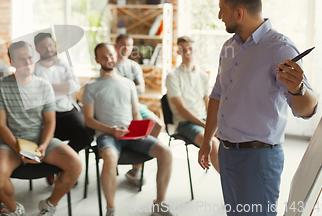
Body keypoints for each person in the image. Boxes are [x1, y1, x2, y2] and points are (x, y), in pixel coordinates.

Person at [198, 0, 318, 216]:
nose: (219, 16)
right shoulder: (229, 47)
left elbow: (307, 109)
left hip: (258, 159)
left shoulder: (280, 49)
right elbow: (217, 95)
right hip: (227, 152)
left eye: (222, 10)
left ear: (239, 13)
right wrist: (206, 140)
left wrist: (299, 89)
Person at [0, 41, 82, 216]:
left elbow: (49, 122)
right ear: (12, 62)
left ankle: (49, 205)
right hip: (10, 142)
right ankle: (14, 209)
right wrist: (19, 149)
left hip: (40, 139)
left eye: (30, 57)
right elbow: (0, 125)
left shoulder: (44, 85)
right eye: (21, 59)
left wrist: (44, 146)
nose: (27, 62)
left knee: (75, 164)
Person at [83, 43, 173, 216]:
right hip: (107, 135)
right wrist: (111, 130)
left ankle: (159, 204)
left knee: (166, 153)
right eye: (103, 56)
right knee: (109, 158)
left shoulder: (128, 83)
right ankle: (111, 209)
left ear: (115, 55)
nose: (108, 59)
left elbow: (135, 113)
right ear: (97, 60)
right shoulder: (91, 86)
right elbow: (89, 120)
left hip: (131, 134)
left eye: (110, 55)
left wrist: (139, 131)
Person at [114, 34, 164, 184]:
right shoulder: (110, 64)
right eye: (123, 44)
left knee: (157, 124)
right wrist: (131, 87)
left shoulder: (134, 66)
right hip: (118, 107)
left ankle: (137, 167)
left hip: (136, 105)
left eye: (129, 45)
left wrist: (127, 89)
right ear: (116, 45)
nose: (126, 48)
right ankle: (129, 156)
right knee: (133, 129)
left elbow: (141, 89)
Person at [166, 36, 220, 173]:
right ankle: (232, 188)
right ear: (178, 52)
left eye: (190, 49)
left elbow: (208, 103)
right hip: (185, 124)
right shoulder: (172, 76)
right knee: (213, 143)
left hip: (204, 121)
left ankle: (240, 180)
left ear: (195, 50)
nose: (187, 52)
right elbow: (182, 109)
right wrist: (207, 126)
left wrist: (214, 123)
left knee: (235, 137)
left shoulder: (202, 75)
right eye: (183, 50)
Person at [33, 32, 91, 154]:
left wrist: (48, 86)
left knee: (86, 136)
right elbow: (38, 91)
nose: (48, 49)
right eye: (43, 47)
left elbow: (74, 87)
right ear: (37, 49)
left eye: (50, 45)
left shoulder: (63, 64)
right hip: (46, 113)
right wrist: (63, 87)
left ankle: (63, 160)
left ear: (54, 44)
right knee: (45, 140)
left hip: (68, 110)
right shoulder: (35, 69)